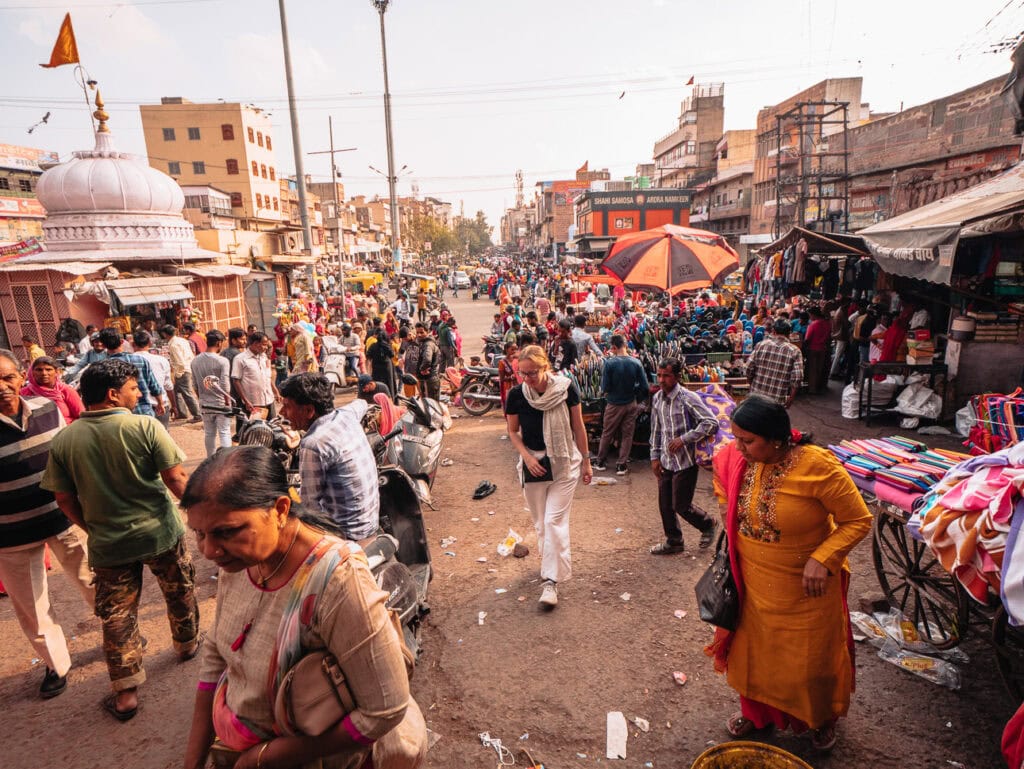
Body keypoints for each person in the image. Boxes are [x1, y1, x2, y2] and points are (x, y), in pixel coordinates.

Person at [180, 446, 426, 769]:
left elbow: (386, 708)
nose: (209, 550)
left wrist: (268, 756)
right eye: (199, 534)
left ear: (281, 510)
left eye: (226, 532)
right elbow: (215, 650)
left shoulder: (338, 581)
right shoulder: (241, 562)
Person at [708, 396, 872, 752]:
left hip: (805, 589)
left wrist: (824, 557)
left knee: (808, 661)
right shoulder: (742, 458)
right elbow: (721, 471)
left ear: (777, 438)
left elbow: (858, 520)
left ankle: (818, 720)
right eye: (736, 438)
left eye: (748, 441)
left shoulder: (818, 467)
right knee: (753, 655)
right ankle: (758, 715)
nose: (739, 448)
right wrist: (726, 509)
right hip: (752, 582)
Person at [42, 358, 201, 720]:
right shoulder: (145, 427)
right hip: (160, 532)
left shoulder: (65, 439)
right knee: (179, 589)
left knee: (117, 616)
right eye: (133, 388)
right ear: (113, 395)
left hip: (109, 544)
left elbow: (63, 498)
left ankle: (127, 694)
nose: (139, 393)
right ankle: (188, 643)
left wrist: (93, 527)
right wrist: (203, 514)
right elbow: (176, 480)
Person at [0, 348, 94, 699]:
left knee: (92, 579)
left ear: (20, 377)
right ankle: (57, 664)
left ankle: (119, 635)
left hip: (63, 517)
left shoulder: (48, 409)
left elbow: (68, 459)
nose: (3, 386)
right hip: (11, 533)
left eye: (8, 377)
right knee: (32, 606)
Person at [504, 345, 592, 608]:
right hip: (534, 465)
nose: (527, 379)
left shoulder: (565, 389)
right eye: (523, 373)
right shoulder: (517, 395)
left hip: (564, 463)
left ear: (546, 368)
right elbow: (512, 431)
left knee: (554, 521)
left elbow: (578, 426)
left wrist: (587, 462)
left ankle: (550, 582)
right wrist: (528, 458)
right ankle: (549, 564)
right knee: (541, 524)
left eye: (532, 373)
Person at [279, 374, 380, 543]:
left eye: (287, 407)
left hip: (347, 534)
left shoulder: (313, 444)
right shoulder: (346, 415)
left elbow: (309, 506)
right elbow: (361, 403)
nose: (282, 413)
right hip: (369, 523)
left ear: (309, 411)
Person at [648, 358, 719, 553]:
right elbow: (656, 430)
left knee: (681, 505)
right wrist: (654, 457)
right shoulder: (657, 399)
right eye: (659, 375)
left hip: (685, 461)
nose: (661, 380)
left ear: (677, 377)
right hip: (665, 460)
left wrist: (684, 439)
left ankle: (707, 524)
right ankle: (674, 541)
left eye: (666, 376)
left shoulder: (688, 398)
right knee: (665, 505)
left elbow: (710, 422)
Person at [593, 334, 648, 476]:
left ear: (614, 347)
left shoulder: (610, 363)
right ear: (626, 345)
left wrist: (609, 394)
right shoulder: (636, 363)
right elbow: (645, 387)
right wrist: (637, 397)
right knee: (627, 434)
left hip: (614, 403)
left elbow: (605, 387)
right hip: (631, 403)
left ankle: (600, 461)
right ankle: (621, 465)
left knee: (607, 433)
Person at [100, 328, 166, 419]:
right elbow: (154, 386)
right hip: (144, 412)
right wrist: (160, 403)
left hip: (120, 416)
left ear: (103, 345)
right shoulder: (140, 360)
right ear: (122, 341)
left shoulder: (103, 367)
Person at [191, 330, 233, 457]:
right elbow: (225, 384)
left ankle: (210, 459)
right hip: (221, 403)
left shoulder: (195, 361)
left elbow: (195, 384)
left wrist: (201, 399)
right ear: (219, 343)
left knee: (209, 433)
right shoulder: (222, 361)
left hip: (205, 403)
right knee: (224, 432)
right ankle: (226, 460)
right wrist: (227, 402)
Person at [745, 319, 803, 408]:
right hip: (777, 401)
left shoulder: (761, 345)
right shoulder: (795, 351)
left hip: (756, 396)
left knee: (755, 420)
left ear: (773, 331)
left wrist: (751, 384)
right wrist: (791, 398)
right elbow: (797, 378)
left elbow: (748, 368)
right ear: (789, 333)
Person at [21, 355, 84, 424]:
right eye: (39, 370)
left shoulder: (66, 390)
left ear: (56, 372)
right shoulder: (24, 393)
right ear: (32, 372)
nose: (44, 373)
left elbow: (81, 416)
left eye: (48, 369)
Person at [231, 332, 280, 418]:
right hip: (254, 403)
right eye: (264, 345)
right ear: (255, 344)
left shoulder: (263, 356)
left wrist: (276, 391)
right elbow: (236, 381)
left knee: (272, 427)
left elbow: (267, 377)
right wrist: (246, 401)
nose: (266, 348)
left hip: (269, 400)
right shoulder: (240, 359)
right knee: (257, 429)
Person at [160, 325, 202, 422]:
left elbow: (180, 362)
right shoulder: (182, 340)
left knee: (187, 393)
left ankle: (197, 415)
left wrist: (178, 375)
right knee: (177, 392)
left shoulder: (173, 344)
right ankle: (182, 413)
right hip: (188, 367)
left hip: (183, 370)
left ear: (164, 334)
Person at [409, 322, 441, 401]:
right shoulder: (425, 342)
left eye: (422, 332)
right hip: (429, 379)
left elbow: (427, 359)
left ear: (427, 332)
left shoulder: (428, 344)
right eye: (417, 333)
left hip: (429, 380)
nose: (419, 335)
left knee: (430, 405)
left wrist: (423, 369)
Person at [803, 306, 830, 395]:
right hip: (823, 349)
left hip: (813, 349)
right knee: (819, 368)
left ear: (813, 315)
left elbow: (807, 338)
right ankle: (818, 386)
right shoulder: (827, 323)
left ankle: (812, 389)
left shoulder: (813, 324)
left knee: (812, 369)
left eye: (810, 315)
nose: (810, 317)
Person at [366, 329, 398, 398]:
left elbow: (368, 356)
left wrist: (368, 371)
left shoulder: (373, 346)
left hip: (376, 369)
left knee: (378, 386)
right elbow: (392, 354)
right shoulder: (387, 345)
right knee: (389, 385)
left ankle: (379, 402)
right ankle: (391, 401)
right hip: (387, 368)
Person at [497, 340, 519, 409]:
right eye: (512, 349)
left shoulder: (518, 360)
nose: (515, 351)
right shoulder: (502, 362)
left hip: (519, 385)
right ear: (506, 350)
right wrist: (511, 377)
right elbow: (502, 379)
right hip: (509, 388)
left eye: (516, 349)